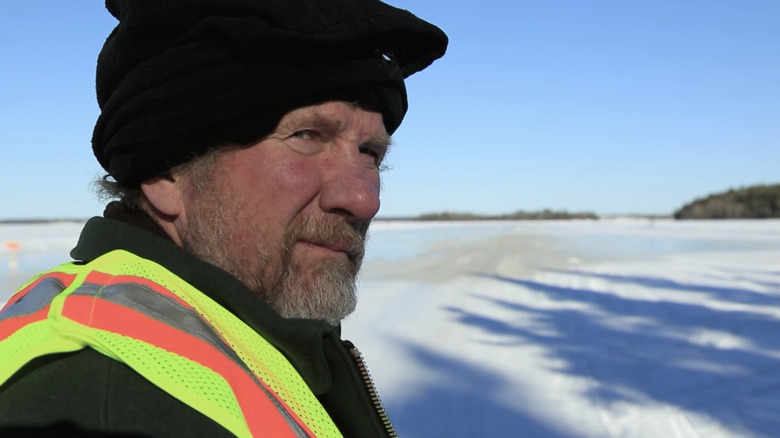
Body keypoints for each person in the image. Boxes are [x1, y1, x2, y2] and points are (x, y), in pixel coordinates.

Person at [0, 0, 447, 436]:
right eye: (307, 135)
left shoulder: (242, 338)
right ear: (166, 172)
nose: (363, 198)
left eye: (370, 153)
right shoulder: (101, 402)